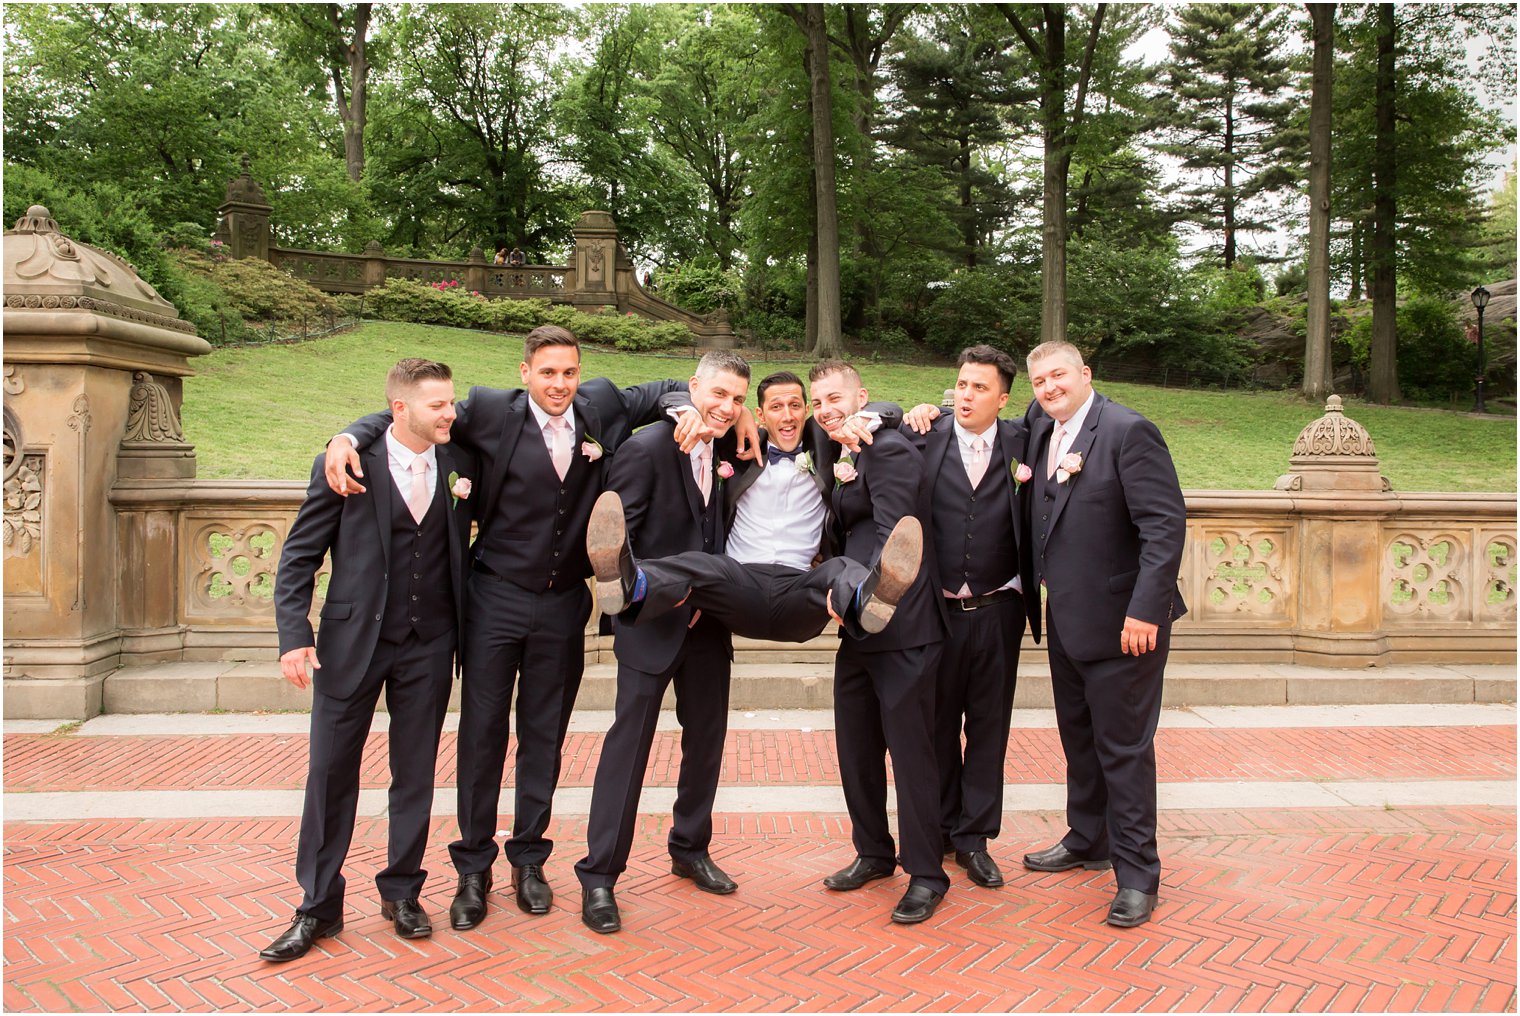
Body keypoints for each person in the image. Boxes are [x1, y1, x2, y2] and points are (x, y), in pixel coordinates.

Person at [320, 326, 721, 930]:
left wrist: (693, 410)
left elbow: (669, 387)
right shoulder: (486, 409)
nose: (560, 384)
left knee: (544, 736)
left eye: (569, 372)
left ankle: (529, 860)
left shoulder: (601, 405)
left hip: (564, 604)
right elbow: (401, 410)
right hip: (493, 601)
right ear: (525, 371)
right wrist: (348, 434)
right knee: (481, 738)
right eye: (548, 373)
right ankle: (472, 868)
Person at [261, 358, 476, 962]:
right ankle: (318, 906)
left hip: (431, 642)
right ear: (401, 410)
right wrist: (293, 636)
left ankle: (402, 891)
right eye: (437, 405)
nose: (450, 414)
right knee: (330, 775)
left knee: (415, 774)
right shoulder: (349, 462)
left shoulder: (460, 461)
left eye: (452, 403)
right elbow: (299, 556)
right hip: (349, 645)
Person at [575, 351, 752, 934]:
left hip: (711, 628)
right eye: (717, 394)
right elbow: (613, 542)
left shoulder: (726, 448)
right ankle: (599, 876)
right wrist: (652, 599)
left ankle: (690, 846)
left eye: (735, 400)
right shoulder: (648, 448)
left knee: (706, 744)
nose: (725, 408)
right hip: (652, 626)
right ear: (693, 388)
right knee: (629, 749)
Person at [1018, 340, 1187, 929]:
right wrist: (897, 410)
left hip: (1126, 625)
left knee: (1125, 750)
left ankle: (1138, 875)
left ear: (1085, 374)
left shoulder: (1128, 431)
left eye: (1058, 375)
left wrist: (1147, 610)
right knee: (1080, 739)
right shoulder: (1043, 427)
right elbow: (973, 414)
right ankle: (1088, 837)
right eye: (1039, 380)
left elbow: (1164, 527)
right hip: (1066, 620)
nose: (1048, 387)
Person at [589, 371, 919, 646]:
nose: (787, 416)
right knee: (696, 564)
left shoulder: (828, 445)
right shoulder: (734, 445)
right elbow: (673, 396)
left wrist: (868, 416)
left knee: (841, 569)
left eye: (795, 406)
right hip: (739, 583)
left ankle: (868, 601)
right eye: (776, 407)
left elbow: (888, 409)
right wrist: (696, 411)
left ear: (806, 411)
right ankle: (629, 584)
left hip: (800, 589)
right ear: (759, 415)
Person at [807, 360, 950, 926]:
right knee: (857, 747)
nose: (826, 409)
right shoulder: (841, 451)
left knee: (911, 754)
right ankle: (872, 852)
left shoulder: (887, 449)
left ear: (861, 396)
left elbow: (896, 538)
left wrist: (857, 591)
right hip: (856, 628)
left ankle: (926, 874)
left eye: (835, 397)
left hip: (904, 626)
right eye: (819, 401)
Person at [901, 345, 1030, 891]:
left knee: (988, 728)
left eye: (980, 387)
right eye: (961, 385)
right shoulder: (922, 437)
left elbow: (1077, 404)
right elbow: (869, 414)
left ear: (1003, 398)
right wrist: (904, 410)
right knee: (934, 726)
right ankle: (943, 828)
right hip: (937, 611)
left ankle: (975, 838)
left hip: (1000, 609)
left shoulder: (1028, 441)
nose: (967, 395)